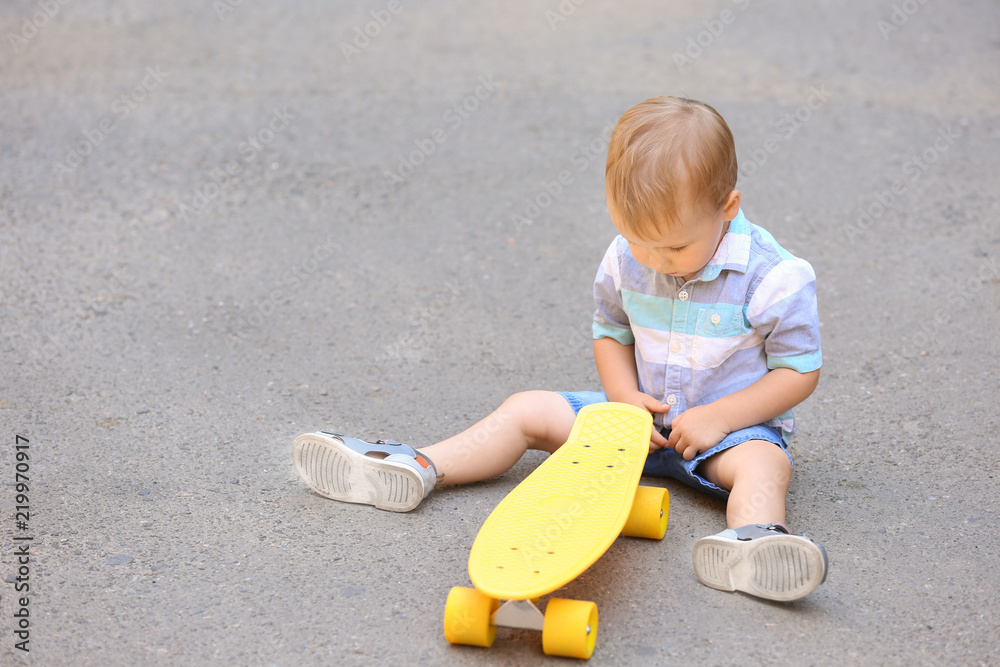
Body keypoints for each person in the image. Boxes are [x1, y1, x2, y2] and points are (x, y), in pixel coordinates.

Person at [292, 96, 828, 602]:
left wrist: (720, 417)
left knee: (765, 465)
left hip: (728, 437)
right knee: (526, 408)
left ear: (728, 206)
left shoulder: (773, 277)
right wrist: (622, 400)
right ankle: (415, 467)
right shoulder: (627, 256)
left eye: (675, 247)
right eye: (638, 240)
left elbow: (799, 372)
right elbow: (611, 331)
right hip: (629, 427)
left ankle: (755, 544)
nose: (656, 261)